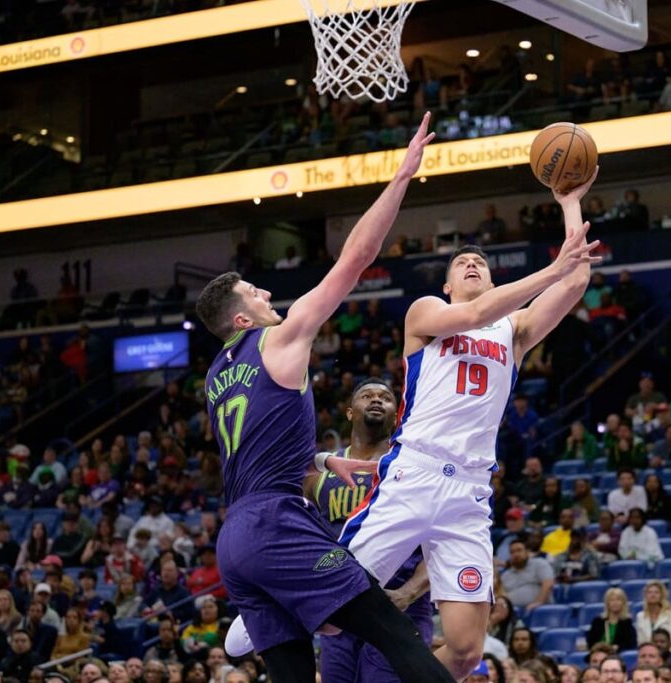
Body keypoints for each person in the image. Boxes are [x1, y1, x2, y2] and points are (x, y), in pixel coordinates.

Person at [199, 115, 456, 683]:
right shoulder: (280, 337)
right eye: (255, 292)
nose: (268, 293)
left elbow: (253, 449)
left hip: (234, 539)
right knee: (393, 632)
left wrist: (316, 461)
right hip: (274, 524)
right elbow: (354, 260)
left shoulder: (217, 376)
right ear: (242, 317)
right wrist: (401, 177)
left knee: (294, 676)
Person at [335, 167, 601, 680]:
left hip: (471, 492)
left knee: (465, 652)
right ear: (447, 283)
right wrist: (547, 272)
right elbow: (473, 315)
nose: (472, 263)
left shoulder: (515, 329)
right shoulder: (426, 312)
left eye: (480, 261)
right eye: (462, 262)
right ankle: (262, 621)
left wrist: (568, 202)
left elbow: (577, 281)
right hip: (415, 473)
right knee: (327, 607)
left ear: (495, 279)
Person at [305, 380, 434, 683]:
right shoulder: (318, 475)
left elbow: (441, 546)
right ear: (350, 412)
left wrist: (408, 592)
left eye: (386, 398)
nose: (377, 400)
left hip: (398, 606)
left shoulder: (416, 467)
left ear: (396, 415)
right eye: (367, 396)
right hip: (341, 608)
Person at [501, 540, 554, 612]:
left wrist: (538, 602)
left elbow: (548, 584)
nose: (516, 554)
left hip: (540, 610)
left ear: (527, 552)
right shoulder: (505, 575)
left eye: (519, 550)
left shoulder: (540, 564)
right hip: (512, 613)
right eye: (512, 552)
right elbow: (501, 595)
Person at [585, 588, 636, 653]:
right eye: (612, 600)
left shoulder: (627, 623)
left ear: (623, 603)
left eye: (618, 600)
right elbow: (591, 643)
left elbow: (631, 644)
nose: (615, 603)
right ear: (607, 603)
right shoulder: (597, 622)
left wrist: (618, 647)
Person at [635, 581, 671, 652]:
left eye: (656, 592)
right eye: (649, 592)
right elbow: (640, 641)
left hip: (670, 651)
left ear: (661, 595)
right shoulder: (640, 616)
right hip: (649, 652)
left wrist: (657, 644)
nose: (653, 595)